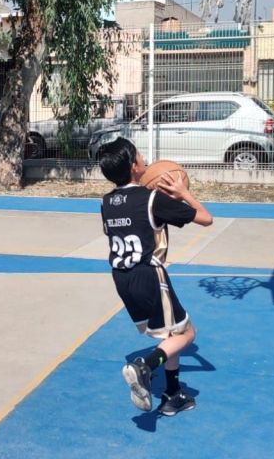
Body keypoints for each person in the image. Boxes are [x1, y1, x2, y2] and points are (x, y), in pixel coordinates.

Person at [98, 137, 213, 416]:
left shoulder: (107, 202)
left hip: (121, 278)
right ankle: (145, 367)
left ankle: (173, 395)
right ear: (134, 165)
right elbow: (206, 218)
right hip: (149, 275)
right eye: (139, 154)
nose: (144, 157)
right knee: (187, 333)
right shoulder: (151, 199)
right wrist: (183, 192)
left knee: (171, 332)